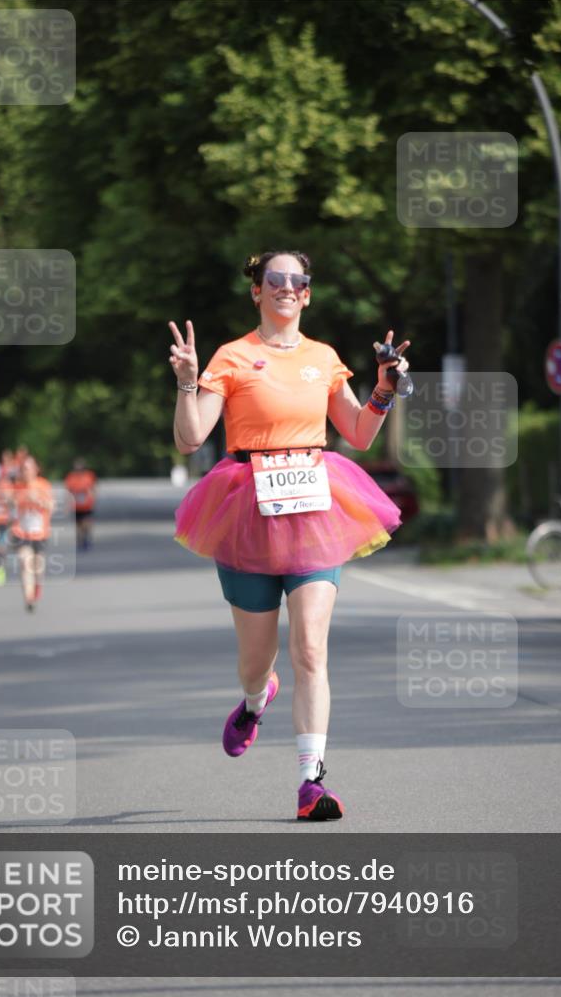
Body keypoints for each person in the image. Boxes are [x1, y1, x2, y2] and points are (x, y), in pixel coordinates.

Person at [169, 249, 410, 821]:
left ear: (306, 293)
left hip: (313, 507)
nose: (285, 288)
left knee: (310, 648)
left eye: (295, 281)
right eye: (272, 279)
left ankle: (311, 782)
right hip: (245, 507)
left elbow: (358, 432)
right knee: (258, 661)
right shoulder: (232, 357)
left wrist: (383, 389)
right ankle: (256, 699)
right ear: (257, 291)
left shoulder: (323, 357)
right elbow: (190, 438)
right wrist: (184, 383)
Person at [11, 456, 54, 612]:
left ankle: (36, 590)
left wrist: (38, 501)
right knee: (24, 563)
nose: (26, 472)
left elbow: (51, 507)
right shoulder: (17, 487)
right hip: (21, 532)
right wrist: (16, 502)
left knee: (38, 568)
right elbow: (10, 507)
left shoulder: (44, 485)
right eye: (23, 469)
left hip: (40, 533)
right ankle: (28, 598)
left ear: (36, 469)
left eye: (28, 468)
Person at [64, 458, 97, 550]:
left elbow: (93, 488)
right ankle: (80, 540)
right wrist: (67, 504)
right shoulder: (70, 477)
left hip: (87, 504)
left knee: (86, 522)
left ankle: (87, 538)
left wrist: (93, 499)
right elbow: (68, 491)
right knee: (78, 524)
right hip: (76, 504)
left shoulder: (89, 476)